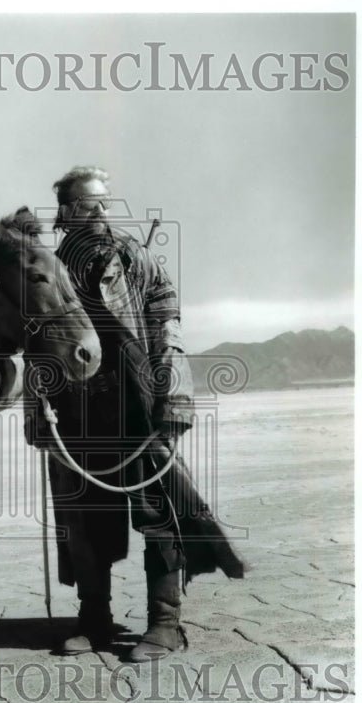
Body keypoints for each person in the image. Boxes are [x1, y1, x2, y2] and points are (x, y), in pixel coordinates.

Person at [28, 165, 245, 660]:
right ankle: (95, 620)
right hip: (75, 409)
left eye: (105, 201)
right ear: (66, 212)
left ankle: (165, 624)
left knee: (157, 511)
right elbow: (36, 346)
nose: (101, 211)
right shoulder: (49, 271)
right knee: (83, 517)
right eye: (88, 204)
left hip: (137, 405)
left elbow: (167, 332)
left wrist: (173, 401)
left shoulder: (139, 261)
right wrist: (36, 411)